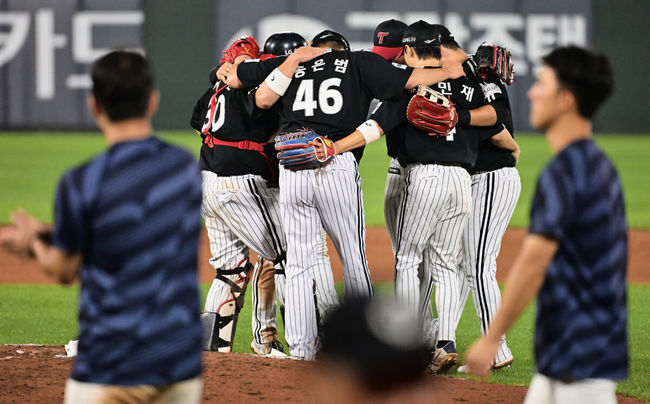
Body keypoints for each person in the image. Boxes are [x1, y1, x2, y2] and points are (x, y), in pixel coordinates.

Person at [219, 28, 465, 360]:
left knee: (300, 265)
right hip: (334, 161)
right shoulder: (359, 62)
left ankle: (303, 351)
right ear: (341, 50)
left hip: (292, 166)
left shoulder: (292, 62)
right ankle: (362, 347)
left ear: (313, 49)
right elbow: (420, 79)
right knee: (353, 260)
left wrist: (240, 66)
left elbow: (231, 76)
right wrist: (462, 65)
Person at [0, 50, 203, 403]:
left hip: (113, 363)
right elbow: (136, 224)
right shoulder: (183, 168)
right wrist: (52, 230)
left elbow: (64, 270)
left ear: (94, 105)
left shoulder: (82, 182)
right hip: (179, 363)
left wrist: (35, 243)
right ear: (152, 101)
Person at [463, 46, 626, 404]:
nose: (532, 92)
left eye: (543, 84)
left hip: (582, 357)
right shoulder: (589, 163)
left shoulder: (569, 170)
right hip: (567, 352)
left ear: (566, 100)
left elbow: (534, 262)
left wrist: (491, 339)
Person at [190, 36, 338, 356]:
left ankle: (210, 352)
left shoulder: (215, 89)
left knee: (230, 270)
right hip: (240, 184)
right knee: (287, 256)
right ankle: (298, 341)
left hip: (206, 181)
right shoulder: (257, 87)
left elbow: (197, 121)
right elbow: (268, 106)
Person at [425, 24, 521, 372]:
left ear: (439, 48)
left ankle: (496, 350)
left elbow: (501, 126)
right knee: (467, 264)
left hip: (492, 177)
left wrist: (460, 117)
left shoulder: (480, 73)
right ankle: (442, 338)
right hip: (475, 179)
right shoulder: (452, 76)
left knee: (479, 267)